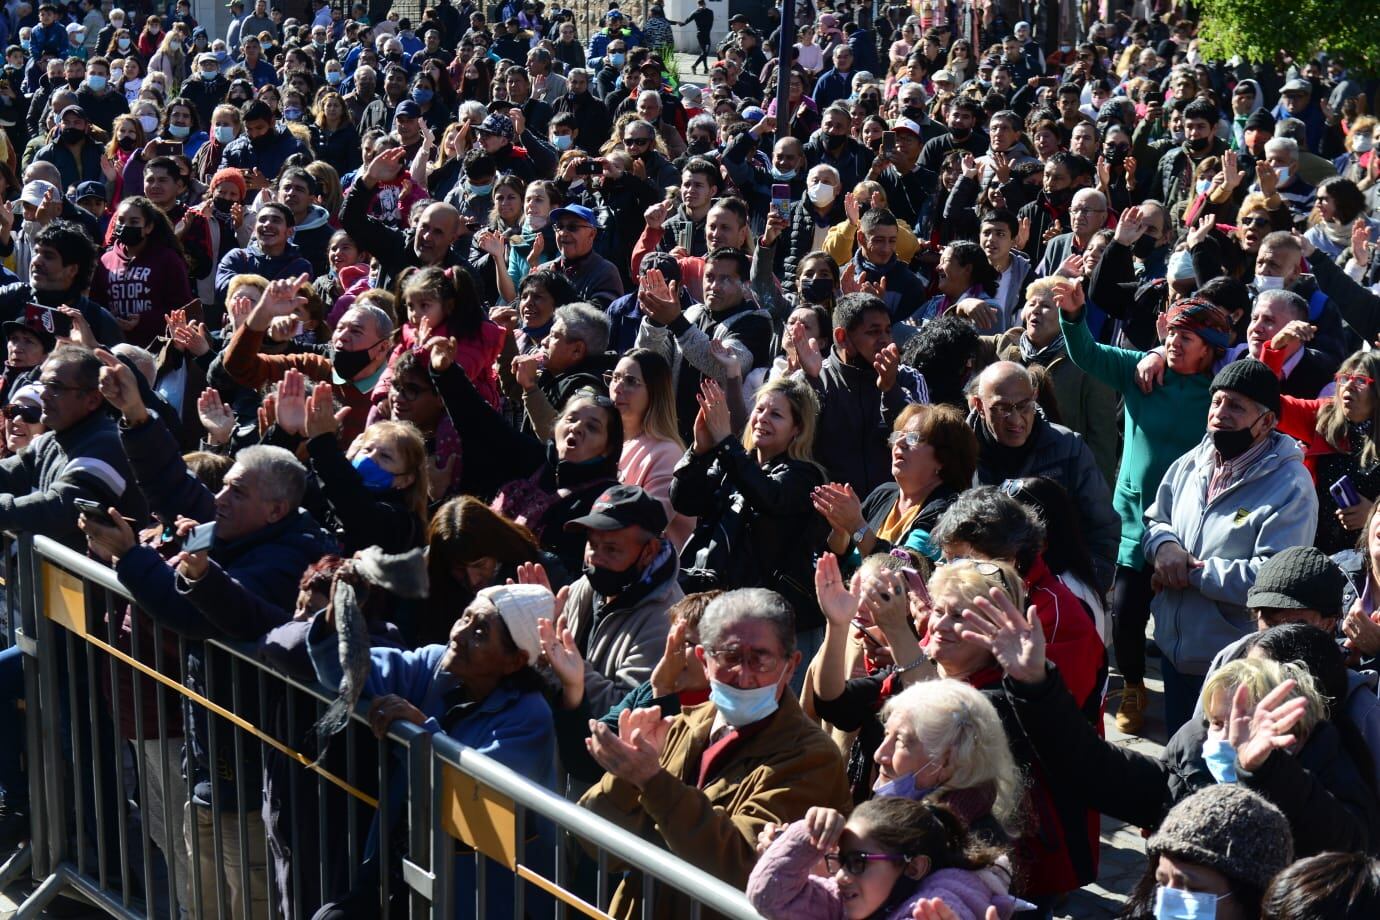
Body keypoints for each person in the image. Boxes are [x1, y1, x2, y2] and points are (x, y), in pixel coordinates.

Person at [579, 588, 851, 917]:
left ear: (790, 665)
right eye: (730, 657)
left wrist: (652, 781)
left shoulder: (811, 757)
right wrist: (626, 777)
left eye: (761, 659)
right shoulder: (681, 727)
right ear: (704, 661)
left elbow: (745, 868)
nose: (744, 675)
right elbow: (591, 842)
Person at [309, 582, 558, 920]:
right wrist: (337, 617)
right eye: (465, 618)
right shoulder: (436, 665)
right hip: (400, 872)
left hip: (477, 895)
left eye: (481, 632)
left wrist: (422, 733)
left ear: (515, 661)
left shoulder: (529, 716)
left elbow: (472, 797)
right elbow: (347, 673)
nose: (459, 634)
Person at [1144, 358, 1320, 733]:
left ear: (1267, 422)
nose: (1220, 414)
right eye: (1217, 402)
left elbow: (1273, 582)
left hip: (1234, 668)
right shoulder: (1196, 459)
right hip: (1175, 656)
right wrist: (1163, 547)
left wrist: (1191, 572)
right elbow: (1157, 519)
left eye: (1236, 406)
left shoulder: (1291, 486)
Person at [673, 376, 829, 638]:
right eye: (759, 409)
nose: (763, 418)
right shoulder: (731, 461)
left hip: (770, 620)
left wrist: (725, 440)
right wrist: (699, 450)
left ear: (797, 429)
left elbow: (769, 496)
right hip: (714, 603)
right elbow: (685, 501)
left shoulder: (804, 476)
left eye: (776, 415)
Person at [968, 361, 1118, 589]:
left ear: (1035, 396)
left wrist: (1086, 592)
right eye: (1002, 408)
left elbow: (1102, 528)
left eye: (1023, 405)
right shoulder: (960, 451)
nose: (1015, 419)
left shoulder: (1069, 448)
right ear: (978, 405)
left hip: (1060, 591)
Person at [747, 798, 1018, 920]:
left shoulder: (936, 908)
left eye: (858, 862)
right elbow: (768, 896)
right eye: (841, 861)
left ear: (913, 867)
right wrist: (808, 834)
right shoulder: (852, 901)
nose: (841, 875)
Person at [558, 483, 684, 715]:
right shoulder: (583, 587)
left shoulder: (664, 620)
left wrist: (567, 666)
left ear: (649, 551)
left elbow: (623, 713)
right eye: (592, 545)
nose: (596, 558)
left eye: (612, 549)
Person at [815, 403, 976, 563]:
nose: (900, 442)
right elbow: (834, 560)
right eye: (898, 435)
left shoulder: (948, 509)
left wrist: (856, 526)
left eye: (914, 438)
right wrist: (841, 529)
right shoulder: (883, 494)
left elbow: (907, 568)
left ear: (943, 458)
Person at [608, 349, 694, 549]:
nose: (617, 388)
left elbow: (647, 526)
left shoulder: (667, 453)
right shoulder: (609, 441)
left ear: (654, 392)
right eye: (615, 377)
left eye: (631, 381)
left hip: (648, 568)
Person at [88, 196, 194, 348]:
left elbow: (182, 307)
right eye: (121, 220)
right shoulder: (105, 260)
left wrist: (144, 320)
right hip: (116, 347)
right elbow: (97, 304)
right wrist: (111, 320)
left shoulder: (167, 259)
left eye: (134, 222)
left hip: (158, 348)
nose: (125, 226)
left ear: (148, 227)